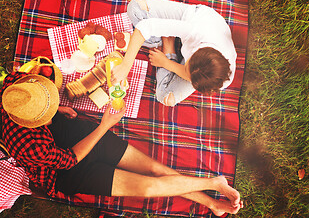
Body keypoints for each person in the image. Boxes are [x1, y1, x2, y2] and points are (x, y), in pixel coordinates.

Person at [0, 72, 243, 216]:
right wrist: (104, 125)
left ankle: (211, 202)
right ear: (31, 122)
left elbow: (40, 95)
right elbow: (68, 160)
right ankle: (214, 184)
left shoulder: (15, 87)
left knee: (154, 168)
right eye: (45, 111)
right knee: (148, 188)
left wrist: (56, 108)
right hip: (65, 173)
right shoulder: (28, 146)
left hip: (73, 133)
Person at [112, 0, 237, 106]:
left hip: (196, 62)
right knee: (135, 7)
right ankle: (161, 40)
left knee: (166, 98)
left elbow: (188, 74)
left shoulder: (222, 79)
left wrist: (166, 62)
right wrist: (125, 66)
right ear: (192, 53)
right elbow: (144, 27)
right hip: (193, 16)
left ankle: (168, 44)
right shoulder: (193, 30)